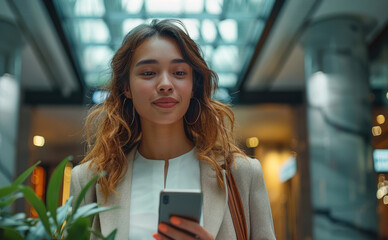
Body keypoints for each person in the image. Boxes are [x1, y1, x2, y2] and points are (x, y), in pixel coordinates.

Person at [70, 19, 275, 240]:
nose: (165, 84)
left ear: (193, 85)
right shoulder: (89, 179)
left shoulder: (242, 174)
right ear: (126, 87)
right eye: (148, 73)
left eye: (178, 73)